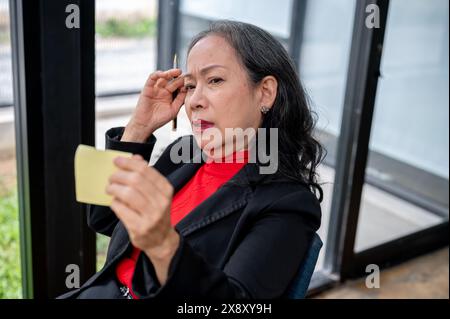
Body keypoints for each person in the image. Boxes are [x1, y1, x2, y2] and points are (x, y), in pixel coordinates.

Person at [59, 20, 324, 299]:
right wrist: (139, 126)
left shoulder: (286, 203)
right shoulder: (184, 154)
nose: (194, 101)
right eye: (190, 85)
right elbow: (103, 217)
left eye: (215, 80)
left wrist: (163, 246)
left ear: (266, 92)